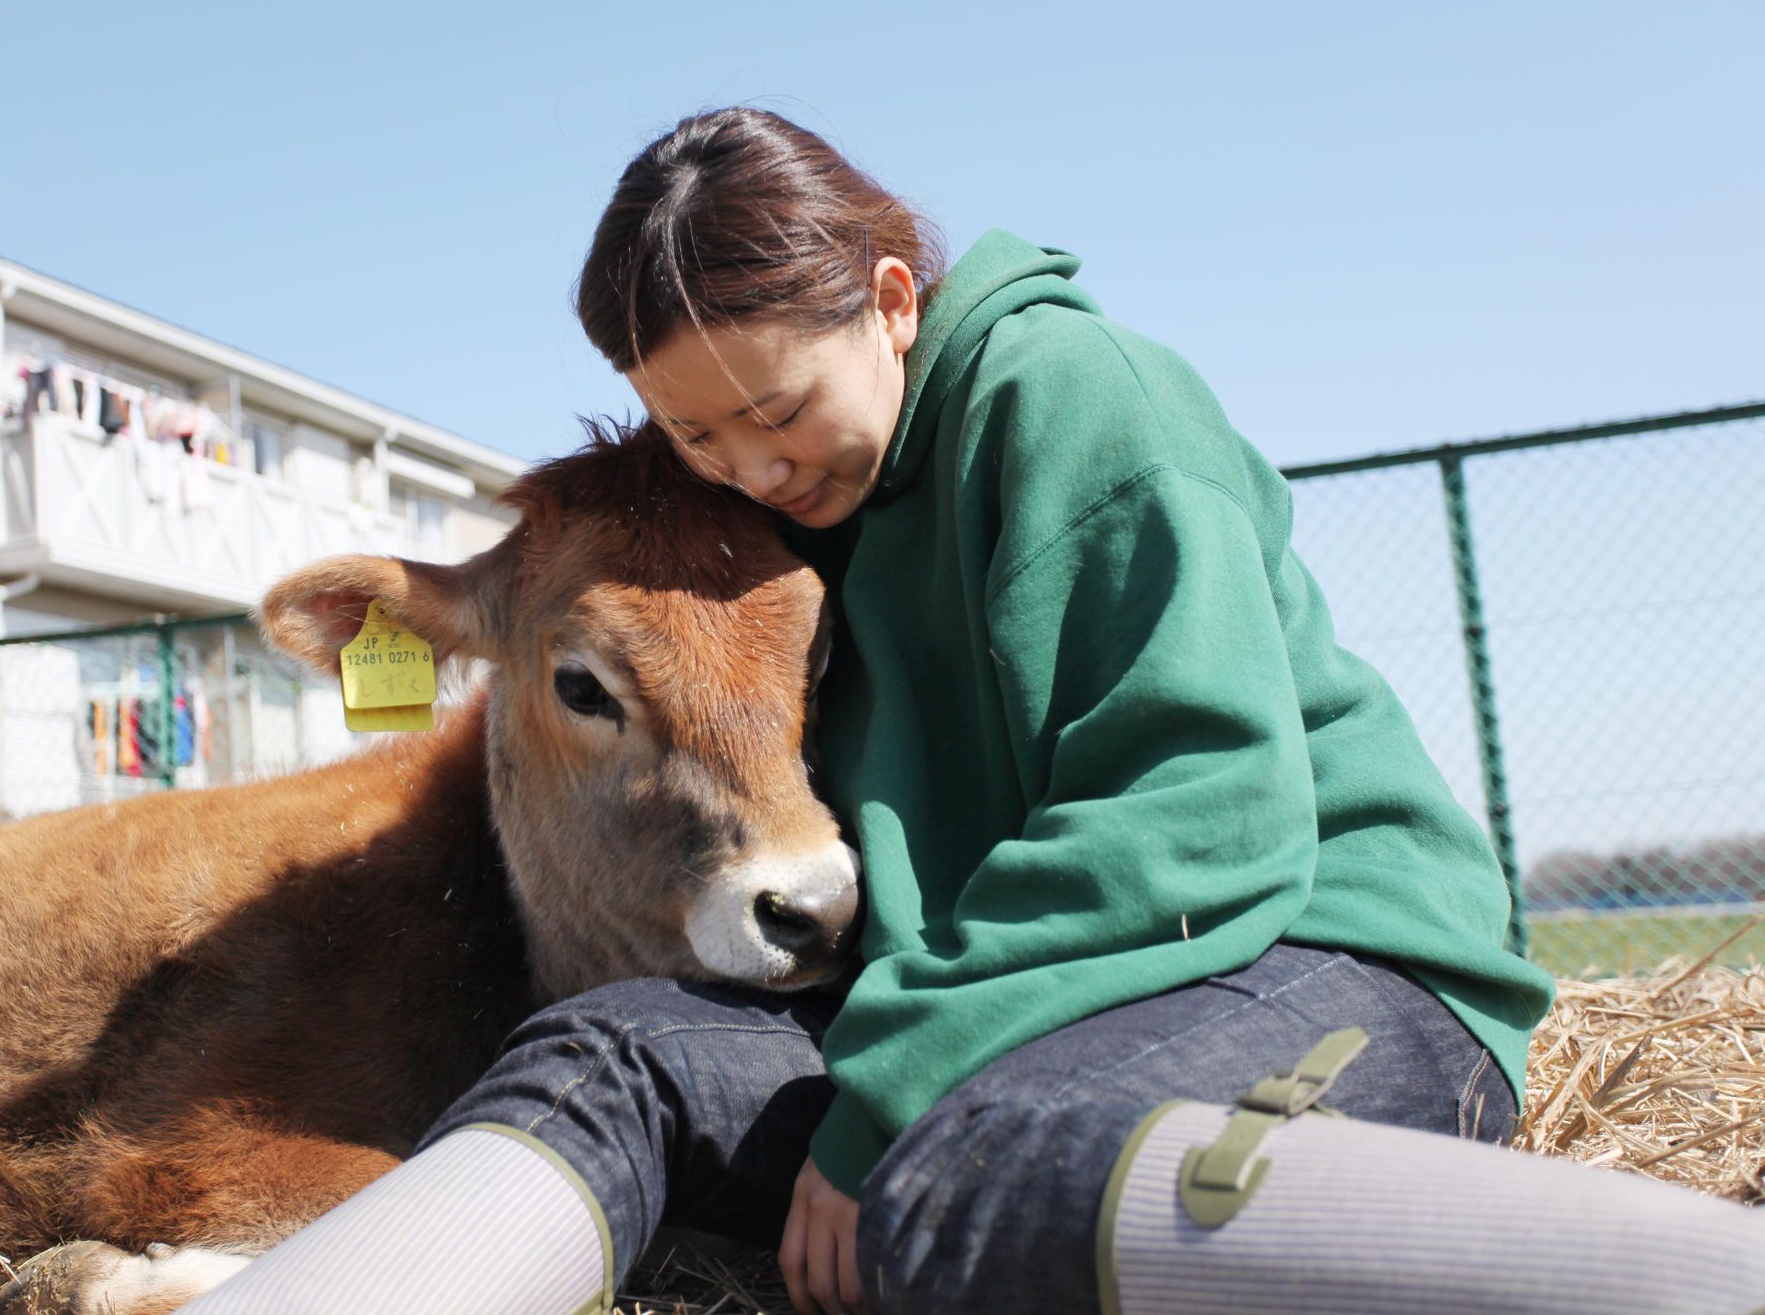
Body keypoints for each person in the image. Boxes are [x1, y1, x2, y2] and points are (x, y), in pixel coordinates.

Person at [184, 108, 1765, 1315]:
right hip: (1050, 989)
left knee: (957, 1173)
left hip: (1323, 949)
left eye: (778, 410)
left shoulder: (1075, 401)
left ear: (889, 299)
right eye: (699, 434)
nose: (752, 468)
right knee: (609, 1050)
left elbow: (1199, 810)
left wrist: (881, 1096)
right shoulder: (802, 515)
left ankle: (1701, 1283)